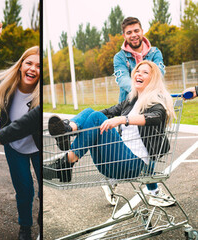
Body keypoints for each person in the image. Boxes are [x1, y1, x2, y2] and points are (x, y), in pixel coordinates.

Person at [46, 60, 176, 208]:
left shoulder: (155, 101)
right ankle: (67, 130)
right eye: (138, 71)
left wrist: (123, 119)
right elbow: (108, 111)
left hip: (131, 164)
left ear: (153, 79)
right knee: (91, 113)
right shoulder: (131, 100)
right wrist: (82, 122)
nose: (139, 74)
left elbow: (156, 117)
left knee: (96, 117)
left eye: (145, 72)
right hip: (112, 163)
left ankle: (66, 162)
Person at [0, 46, 41, 240]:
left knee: (43, 188)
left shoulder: (40, 95)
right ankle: (25, 228)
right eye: (29, 63)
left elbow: (28, 123)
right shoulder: (8, 83)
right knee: (24, 190)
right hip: (14, 145)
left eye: (39, 66)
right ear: (21, 64)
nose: (32, 69)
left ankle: (41, 225)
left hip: (37, 146)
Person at [114, 17, 165, 103]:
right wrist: (142, 91)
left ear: (142, 31)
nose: (134, 35)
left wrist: (147, 93)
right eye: (129, 32)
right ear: (124, 36)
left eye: (136, 31)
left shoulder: (155, 52)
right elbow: (123, 79)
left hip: (154, 101)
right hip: (129, 104)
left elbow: (158, 73)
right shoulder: (119, 57)